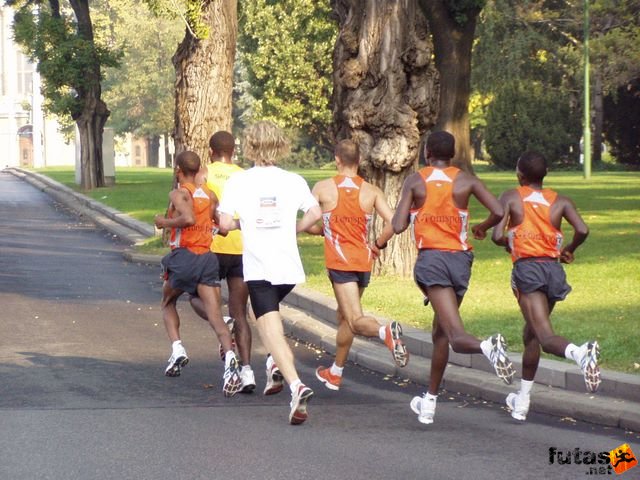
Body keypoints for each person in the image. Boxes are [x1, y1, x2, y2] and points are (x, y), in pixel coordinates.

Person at [392, 130, 515, 425]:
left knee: (457, 337)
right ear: (453, 155)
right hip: (460, 261)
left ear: (426, 153)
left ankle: (489, 347)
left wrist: (413, 211)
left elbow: (397, 225)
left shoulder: (415, 180)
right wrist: (483, 227)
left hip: (433, 261)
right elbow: (498, 210)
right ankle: (430, 402)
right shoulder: (465, 180)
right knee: (441, 333)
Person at [218, 121, 322, 425]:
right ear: (280, 145)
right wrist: (296, 228)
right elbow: (316, 214)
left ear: (249, 145)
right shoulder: (293, 180)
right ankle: (274, 367)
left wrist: (240, 224)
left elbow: (224, 224)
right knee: (266, 319)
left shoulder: (238, 182)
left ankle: (295, 385)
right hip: (288, 266)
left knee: (269, 328)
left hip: (259, 265)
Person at [491, 151, 600, 421]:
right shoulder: (560, 200)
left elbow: (496, 235)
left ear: (520, 174)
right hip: (553, 270)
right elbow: (583, 229)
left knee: (545, 336)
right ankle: (522, 400)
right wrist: (570, 249)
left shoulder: (511, 196)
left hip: (528, 270)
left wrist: (511, 243)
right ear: (546, 174)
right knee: (531, 335)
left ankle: (580, 353)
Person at [306, 139, 407, 391]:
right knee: (344, 317)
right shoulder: (371, 191)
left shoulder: (323, 188)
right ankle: (335, 372)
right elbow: (394, 222)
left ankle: (386, 333)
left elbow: (308, 222)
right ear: (359, 161)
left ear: (337, 159)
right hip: (363, 262)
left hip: (340, 262)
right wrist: (378, 244)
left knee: (353, 319)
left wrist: (322, 231)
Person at [154, 150, 241, 397]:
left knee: (168, 301)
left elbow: (188, 218)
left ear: (178, 170)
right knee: (213, 314)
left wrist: (163, 222)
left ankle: (178, 348)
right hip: (207, 258)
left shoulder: (179, 193)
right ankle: (231, 360)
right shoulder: (211, 195)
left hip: (184, 256)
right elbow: (221, 228)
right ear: (199, 169)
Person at [189, 131, 266, 394]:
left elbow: (198, 208)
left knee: (194, 297)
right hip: (241, 248)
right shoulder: (246, 176)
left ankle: (222, 321)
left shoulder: (204, 174)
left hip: (210, 248)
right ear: (234, 151)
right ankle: (247, 371)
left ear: (211, 151)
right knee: (241, 311)